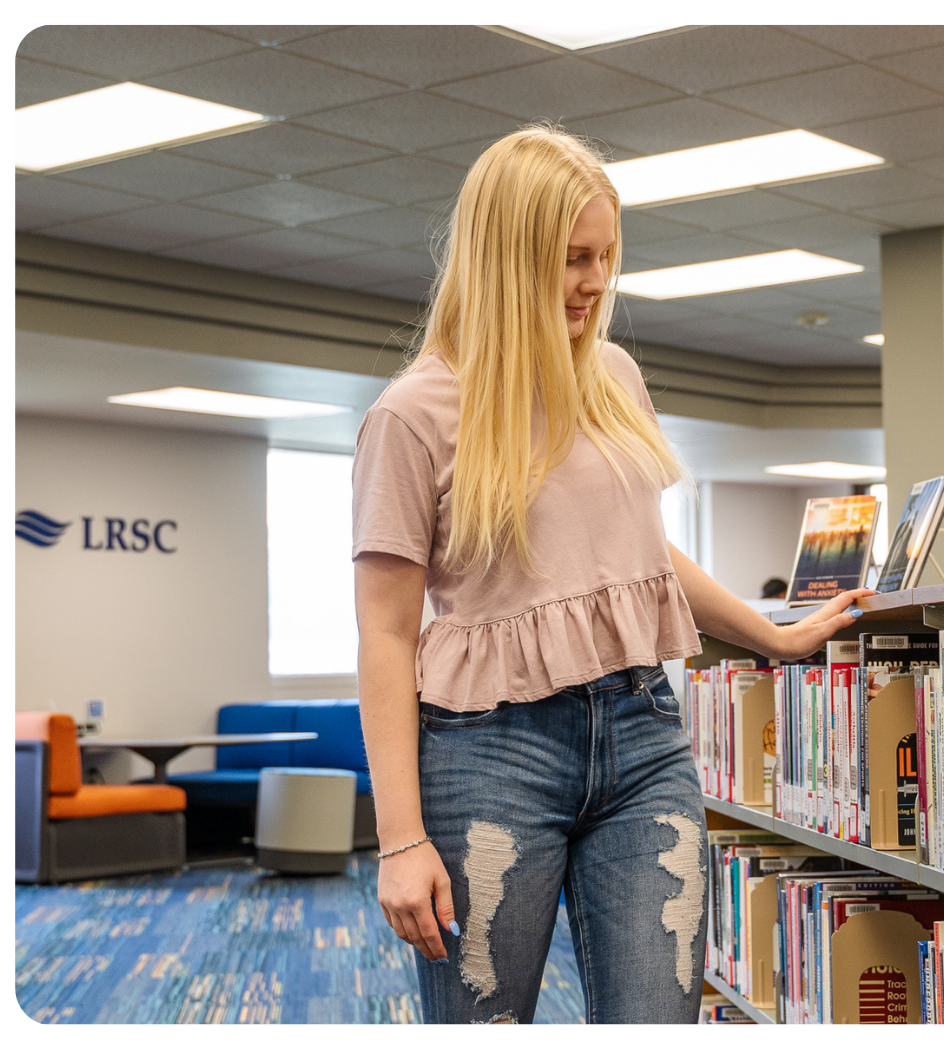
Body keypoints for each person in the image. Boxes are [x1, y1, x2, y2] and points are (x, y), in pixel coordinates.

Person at [352, 126, 869, 1025]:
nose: (595, 282)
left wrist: (774, 634)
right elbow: (386, 634)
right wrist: (400, 841)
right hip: (488, 755)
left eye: (605, 257)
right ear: (504, 259)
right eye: (570, 260)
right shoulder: (411, 416)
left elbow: (639, 552)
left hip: (642, 737)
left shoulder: (614, 378)